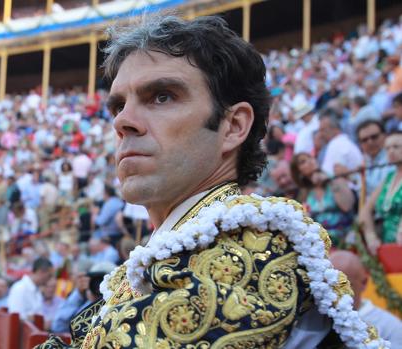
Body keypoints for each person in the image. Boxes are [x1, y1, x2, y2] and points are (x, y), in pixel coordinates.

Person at [37, 15, 387, 349]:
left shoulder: (257, 246)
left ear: (233, 127)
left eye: (162, 96)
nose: (123, 121)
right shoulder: (173, 249)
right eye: (117, 106)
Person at [330, 250, 402, 346]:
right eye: (329, 285)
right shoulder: (311, 317)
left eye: (344, 286)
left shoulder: (390, 327)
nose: (335, 292)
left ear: (364, 283)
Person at [290, 152, 356, 247]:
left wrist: (330, 182)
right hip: (321, 243)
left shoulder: (334, 178)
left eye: (310, 157)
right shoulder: (304, 195)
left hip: (346, 238)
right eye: (303, 162)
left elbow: (347, 206)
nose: (310, 161)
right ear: (299, 172)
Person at [359, 131, 402, 255]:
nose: (391, 151)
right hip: (387, 245)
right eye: (387, 148)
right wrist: (371, 236)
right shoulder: (389, 178)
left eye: (396, 147)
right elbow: (365, 211)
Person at [318, 110, 364, 177]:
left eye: (323, 130)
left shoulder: (336, 144)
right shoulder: (342, 142)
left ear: (335, 129)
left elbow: (329, 176)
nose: (320, 135)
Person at [357, 120, 394, 198]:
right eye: (364, 140)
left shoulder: (392, 157)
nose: (370, 142)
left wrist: (356, 178)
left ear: (385, 136)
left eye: (374, 137)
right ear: (360, 144)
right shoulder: (364, 161)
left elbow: (383, 191)